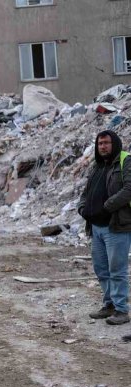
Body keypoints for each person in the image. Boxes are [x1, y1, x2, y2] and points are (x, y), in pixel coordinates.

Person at [78, 129, 131, 326]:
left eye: (107, 143)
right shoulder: (98, 166)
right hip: (96, 227)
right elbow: (86, 191)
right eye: (100, 144)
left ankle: (121, 310)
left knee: (117, 270)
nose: (103, 147)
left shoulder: (126, 161)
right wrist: (82, 207)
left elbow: (129, 189)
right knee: (101, 269)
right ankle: (109, 304)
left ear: (114, 143)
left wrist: (106, 206)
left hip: (116, 226)